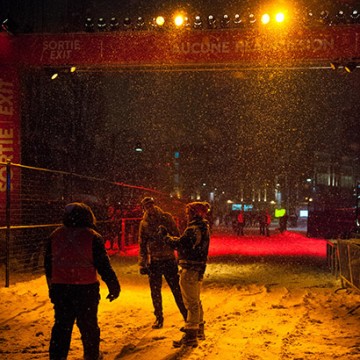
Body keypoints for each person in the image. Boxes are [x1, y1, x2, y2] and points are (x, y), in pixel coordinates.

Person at [44, 202, 121, 360]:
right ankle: (91, 355)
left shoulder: (55, 235)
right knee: (89, 327)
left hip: (61, 289)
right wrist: (114, 286)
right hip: (86, 290)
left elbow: (48, 266)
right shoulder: (92, 236)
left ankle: (57, 356)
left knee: (61, 327)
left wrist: (52, 288)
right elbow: (103, 265)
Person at [159, 201, 211, 348]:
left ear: (194, 213)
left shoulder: (193, 229)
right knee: (196, 300)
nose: (186, 216)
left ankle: (191, 336)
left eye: (188, 213)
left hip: (190, 269)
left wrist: (165, 237)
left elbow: (179, 244)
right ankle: (199, 330)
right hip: (198, 268)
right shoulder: (204, 227)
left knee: (191, 303)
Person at [138, 197, 187, 329]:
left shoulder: (165, 218)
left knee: (176, 290)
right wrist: (142, 263)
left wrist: (180, 256)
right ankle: (159, 317)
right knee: (156, 292)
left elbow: (176, 236)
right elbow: (142, 244)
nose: (149, 208)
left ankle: (186, 316)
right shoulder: (145, 223)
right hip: (155, 261)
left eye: (150, 205)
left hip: (167, 259)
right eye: (147, 206)